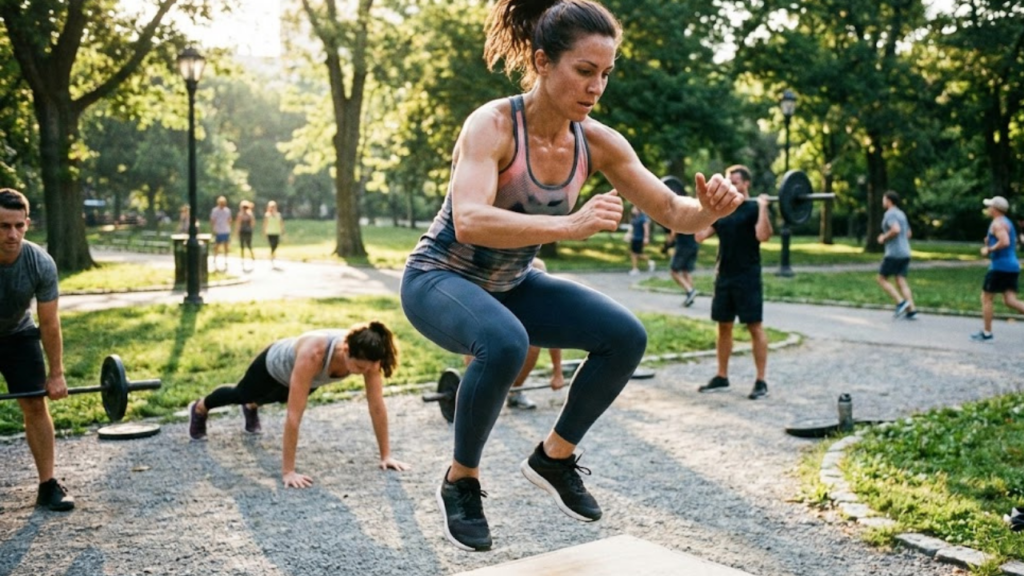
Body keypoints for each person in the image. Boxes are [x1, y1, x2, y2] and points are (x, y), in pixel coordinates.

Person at [400, 0, 742, 552]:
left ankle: (554, 457)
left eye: (605, 74)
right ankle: (461, 479)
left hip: (510, 285)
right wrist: (569, 225)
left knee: (625, 336)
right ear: (541, 61)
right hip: (439, 278)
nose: (596, 87)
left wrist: (711, 210)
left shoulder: (597, 142)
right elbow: (468, 220)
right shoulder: (492, 124)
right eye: (584, 71)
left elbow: (676, 212)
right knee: (505, 341)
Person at [187, 322, 411, 487]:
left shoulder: (369, 359)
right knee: (243, 394)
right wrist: (288, 472)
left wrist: (386, 455)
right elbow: (294, 416)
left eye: (367, 368)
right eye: (359, 367)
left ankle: (253, 407)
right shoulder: (314, 354)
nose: (364, 372)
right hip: (272, 367)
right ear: (345, 350)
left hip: (309, 377)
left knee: (277, 397)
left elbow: (376, 406)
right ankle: (200, 407)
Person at [0, 188, 74, 511]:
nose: (12, 234)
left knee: (35, 403)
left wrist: (56, 373)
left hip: (18, 333)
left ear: (28, 223)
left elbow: (49, 323)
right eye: (3, 226)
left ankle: (47, 484)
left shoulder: (40, 263)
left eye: (18, 225)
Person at [695, 165, 772, 400]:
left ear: (746, 184)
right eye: (729, 181)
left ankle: (761, 381)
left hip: (747, 276)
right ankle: (722, 376)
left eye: (736, 182)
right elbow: (699, 235)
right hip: (724, 275)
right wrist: (703, 209)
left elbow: (763, 235)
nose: (732, 185)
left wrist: (763, 207)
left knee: (754, 327)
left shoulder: (754, 208)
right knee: (723, 326)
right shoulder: (723, 211)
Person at [970, 196, 1024, 341]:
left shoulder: (997, 223)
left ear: (995, 209)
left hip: (1000, 267)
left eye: (989, 206)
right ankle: (987, 332)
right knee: (1010, 300)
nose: (988, 209)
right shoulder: (1007, 222)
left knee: (986, 298)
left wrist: (989, 249)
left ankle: (987, 333)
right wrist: (990, 242)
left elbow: (1005, 241)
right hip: (1011, 266)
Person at [876, 191, 917, 319]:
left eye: (884, 200)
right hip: (905, 251)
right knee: (901, 280)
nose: (883, 202)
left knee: (881, 278)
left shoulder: (890, 214)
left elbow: (896, 229)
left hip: (894, 253)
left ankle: (901, 302)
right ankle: (911, 309)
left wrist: (884, 237)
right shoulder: (901, 213)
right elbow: (908, 233)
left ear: (889, 201)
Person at [663, 177, 699, 306]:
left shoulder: (679, 209)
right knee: (685, 271)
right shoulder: (691, 207)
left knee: (673, 271)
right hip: (693, 244)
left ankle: (690, 291)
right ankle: (691, 295)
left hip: (683, 245)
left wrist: (667, 244)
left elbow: (674, 230)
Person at [627, 205, 654, 275]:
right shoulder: (635, 218)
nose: (632, 209)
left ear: (638, 209)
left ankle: (635, 269)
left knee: (635, 254)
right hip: (634, 238)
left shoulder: (643, 218)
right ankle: (648, 262)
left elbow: (646, 229)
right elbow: (632, 228)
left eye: (634, 208)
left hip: (640, 238)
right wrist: (628, 235)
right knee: (635, 254)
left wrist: (646, 237)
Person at [209, 196, 232, 271]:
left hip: (225, 230)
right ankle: (215, 259)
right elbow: (213, 220)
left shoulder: (227, 210)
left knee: (226, 246)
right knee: (216, 246)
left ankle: (226, 259)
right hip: (218, 230)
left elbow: (229, 219)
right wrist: (213, 229)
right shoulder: (215, 210)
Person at [235, 200, 256, 270]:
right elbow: (238, 224)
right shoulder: (240, 215)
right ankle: (242, 257)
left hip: (247, 231)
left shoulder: (250, 214)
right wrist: (237, 232)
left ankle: (252, 256)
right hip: (243, 231)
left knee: (249, 244)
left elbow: (252, 223)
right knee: (242, 246)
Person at [264, 200, 284, 268]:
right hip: (270, 232)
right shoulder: (267, 215)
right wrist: (264, 231)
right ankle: (272, 255)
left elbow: (281, 223)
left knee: (276, 244)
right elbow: (265, 223)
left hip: (276, 231)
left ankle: (272, 254)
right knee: (271, 244)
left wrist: (282, 230)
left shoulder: (278, 215)